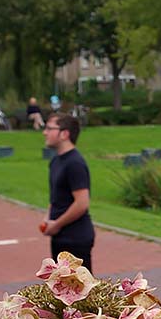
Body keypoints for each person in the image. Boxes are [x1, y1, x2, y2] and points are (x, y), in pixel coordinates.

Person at [41, 113, 95, 272]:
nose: (45, 132)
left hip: (75, 237)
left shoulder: (75, 163)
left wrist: (57, 224)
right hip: (59, 236)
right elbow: (56, 197)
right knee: (60, 291)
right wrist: (48, 218)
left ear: (64, 134)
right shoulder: (56, 161)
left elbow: (82, 203)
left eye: (50, 128)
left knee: (80, 292)